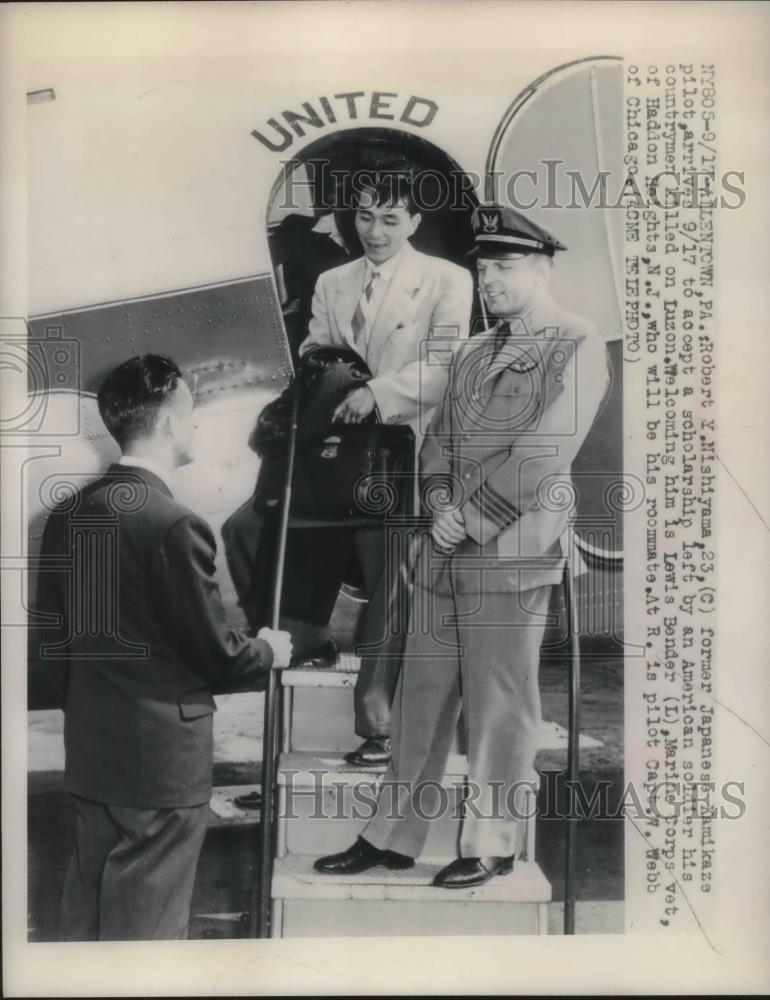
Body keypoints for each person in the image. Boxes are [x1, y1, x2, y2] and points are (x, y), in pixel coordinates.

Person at [314, 205, 610, 887]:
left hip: (511, 551)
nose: (490, 280)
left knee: (501, 703)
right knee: (420, 696)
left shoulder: (576, 342)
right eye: (483, 268)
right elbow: (440, 439)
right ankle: (392, 835)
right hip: (447, 548)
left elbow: (545, 451)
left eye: (505, 267)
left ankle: (493, 841)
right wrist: (443, 506)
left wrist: (470, 517)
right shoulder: (477, 349)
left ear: (542, 270)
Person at [33, 354, 292, 940]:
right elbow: (218, 656)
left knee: (87, 926)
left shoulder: (66, 516)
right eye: (191, 411)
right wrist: (270, 650)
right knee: (147, 943)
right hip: (161, 775)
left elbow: (52, 649)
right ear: (172, 422)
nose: (195, 424)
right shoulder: (174, 524)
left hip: (92, 759)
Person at [297, 169, 473, 766]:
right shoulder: (330, 281)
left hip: (406, 449)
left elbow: (445, 366)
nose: (374, 231)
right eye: (365, 216)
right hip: (342, 450)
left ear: (415, 223)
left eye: (391, 219)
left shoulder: (448, 280)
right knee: (254, 531)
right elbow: (314, 353)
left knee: (391, 580)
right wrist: (337, 381)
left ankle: (377, 725)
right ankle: (308, 640)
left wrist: (378, 392)